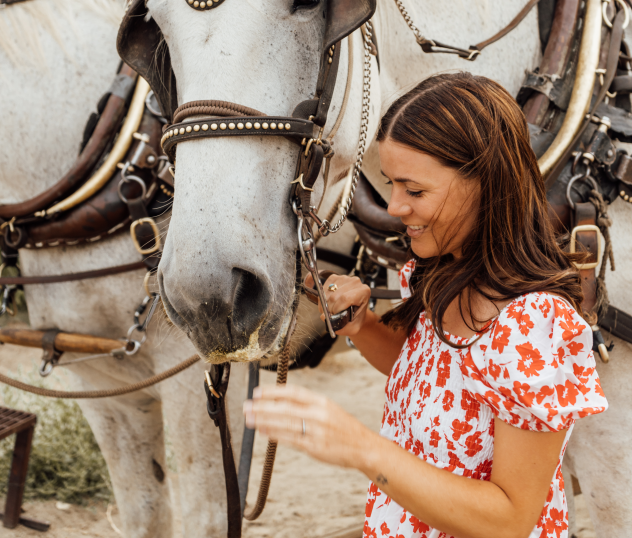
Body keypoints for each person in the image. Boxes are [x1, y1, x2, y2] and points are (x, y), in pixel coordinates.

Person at [244, 72, 607, 538]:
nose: (395, 206)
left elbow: (512, 517)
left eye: (414, 190)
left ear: (486, 183)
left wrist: (362, 449)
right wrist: (364, 325)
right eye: (392, 184)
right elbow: (431, 379)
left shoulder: (533, 327)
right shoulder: (439, 274)